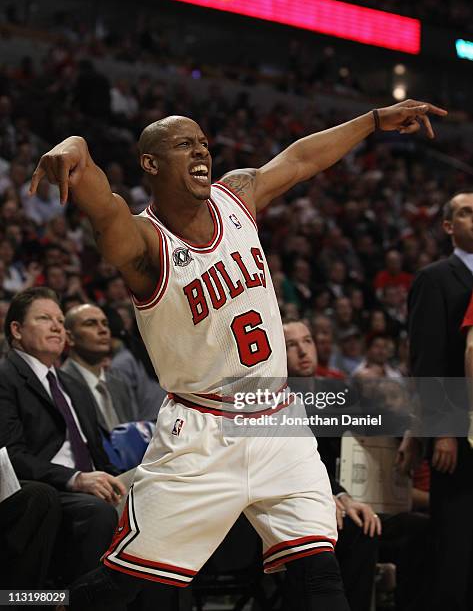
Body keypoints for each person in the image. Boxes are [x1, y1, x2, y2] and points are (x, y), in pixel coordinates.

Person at [30, 99, 446, 610]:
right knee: (121, 588)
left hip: (278, 422)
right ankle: (25, 599)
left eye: (204, 142)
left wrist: (374, 120)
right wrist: (77, 150)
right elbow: (102, 204)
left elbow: (297, 160)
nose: (201, 150)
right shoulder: (145, 243)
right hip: (202, 434)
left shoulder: (237, 197)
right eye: (185, 144)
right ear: (152, 163)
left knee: (321, 577)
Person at [0, 287, 127, 583]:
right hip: (47, 489)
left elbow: (98, 455)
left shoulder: (72, 384)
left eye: (59, 319)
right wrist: (75, 479)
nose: (58, 326)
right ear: (16, 330)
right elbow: (11, 456)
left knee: (159, 505)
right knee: (97, 513)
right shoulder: (5, 377)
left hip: (93, 483)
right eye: (45, 318)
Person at [284, 319, 380, 611]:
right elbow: (295, 461)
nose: (303, 351)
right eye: (291, 345)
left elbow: (361, 444)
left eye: (308, 341)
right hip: (297, 498)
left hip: (347, 491)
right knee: (357, 529)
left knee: (414, 528)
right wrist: (335, 495)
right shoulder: (274, 400)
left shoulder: (336, 391)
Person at [408, 192, 473, 611]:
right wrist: (443, 430)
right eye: (467, 213)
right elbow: (426, 361)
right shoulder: (435, 278)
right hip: (457, 435)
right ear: (449, 227)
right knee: (457, 541)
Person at [62, 303, 138, 432]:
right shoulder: (60, 385)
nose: (103, 330)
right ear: (69, 337)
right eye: (90, 323)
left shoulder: (119, 385)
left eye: (105, 323)